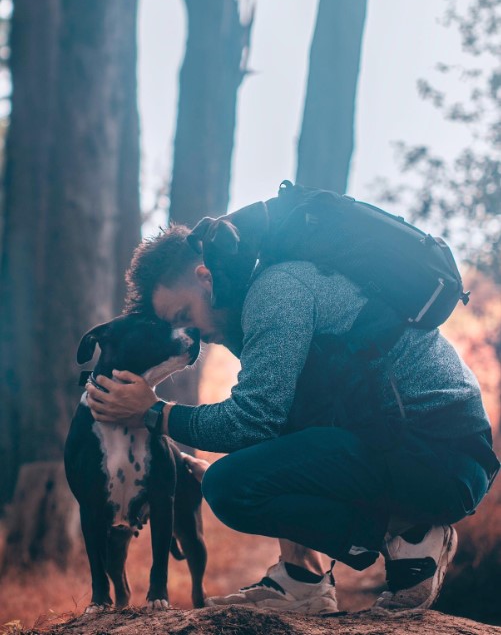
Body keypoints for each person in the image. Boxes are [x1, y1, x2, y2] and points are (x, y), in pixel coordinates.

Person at [87, 224, 499, 614]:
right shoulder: (259, 295)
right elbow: (284, 420)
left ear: (204, 278)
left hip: (439, 456)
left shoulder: (276, 292)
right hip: (426, 450)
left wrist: (153, 413)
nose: (188, 333)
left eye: (183, 315)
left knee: (229, 488)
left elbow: (253, 420)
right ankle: (301, 578)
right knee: (240, 473)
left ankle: (411, 533)